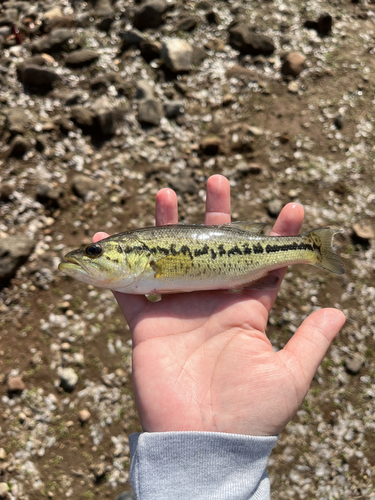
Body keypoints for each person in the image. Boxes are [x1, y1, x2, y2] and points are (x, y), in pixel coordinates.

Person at [93, 175, 345, 499]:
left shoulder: (148, 267)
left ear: (135, 254)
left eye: (96, 252)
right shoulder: (138, 274)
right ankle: (308, 247)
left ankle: (311, 248)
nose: (90, 257)